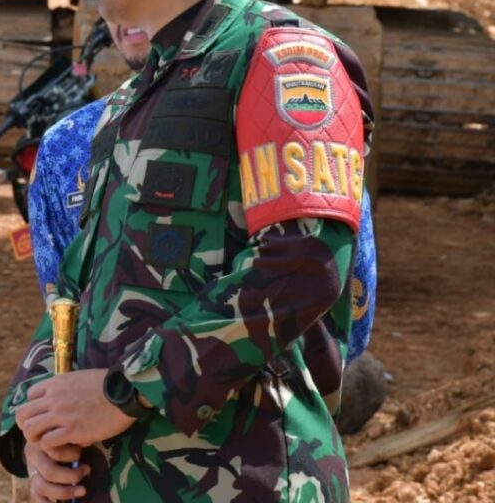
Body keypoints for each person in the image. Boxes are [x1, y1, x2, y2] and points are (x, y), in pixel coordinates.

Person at [0, 0, 373, 502]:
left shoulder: (280, 59)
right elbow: (77, 291)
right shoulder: (136, 102)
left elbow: (304, 261)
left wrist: (124, 392)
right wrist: (37, 425)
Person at [28, 20, 378, 366]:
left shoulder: (66, 142)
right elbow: (349, 314)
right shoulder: (278, 116)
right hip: (255, 390)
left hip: (108, 388)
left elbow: (62, 316)